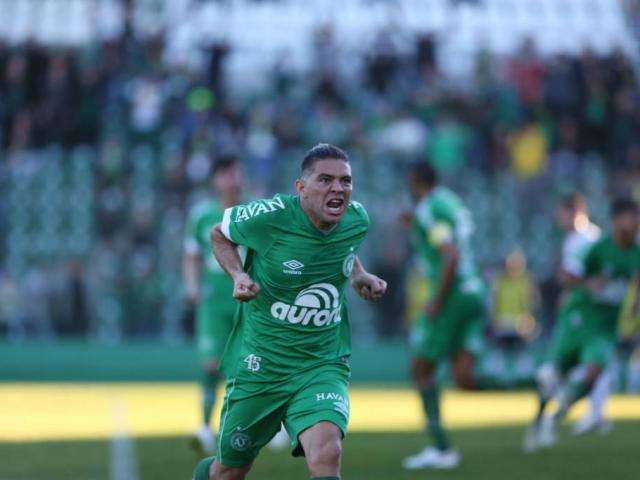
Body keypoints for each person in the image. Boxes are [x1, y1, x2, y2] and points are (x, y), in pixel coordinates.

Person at [192, 143, 387, 480]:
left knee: (328, 454)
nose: (338, 188)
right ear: (301, 188)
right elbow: (218, 235)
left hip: (321, 363)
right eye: (325, 180)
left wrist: (359, 275)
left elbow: (345, 249)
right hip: (262, 365)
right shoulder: (270, 217)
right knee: (228, 472)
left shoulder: (356, 220)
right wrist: (238, 275)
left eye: (345, 180)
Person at [533, 197, 640, 448]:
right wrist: (589, 284)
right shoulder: (596, 248)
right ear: (616, 222)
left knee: (594, 372)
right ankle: (538, 419)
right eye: (630, 220)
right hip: (581, 317)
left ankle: (557, 415)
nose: (633, 226)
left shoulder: (636, 252)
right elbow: (567, 276)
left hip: (605, 324)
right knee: (555, 373)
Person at [402, 162, 486, 470]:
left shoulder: (429, 206)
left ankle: (441, 449)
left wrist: (437, 298)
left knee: (420, 369)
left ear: (414, 179)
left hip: (452, 296)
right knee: (464, 377)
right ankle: (538, 382)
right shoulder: (450, 200)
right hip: (474, 289)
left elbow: (449, 252)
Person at [523, 193, 602, 451]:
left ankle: (546, 421)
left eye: (563, 213)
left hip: (583, 317)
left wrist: (571, 285)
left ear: (576, 211)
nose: (560, 219)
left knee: (559, 373)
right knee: (560, 374)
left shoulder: (583, 241)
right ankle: (545, 421)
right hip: (584, 315)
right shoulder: (593, 238)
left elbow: (571, 277)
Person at [183, 156, 244, 454]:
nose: (232, 178)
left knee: (248, 365)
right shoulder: (202, 214)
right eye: (225, 172)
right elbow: (192, 255)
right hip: (213, 299)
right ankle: (205, 427)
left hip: (246, 298)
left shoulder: (251, 212)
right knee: (211, 365)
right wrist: (192, 286)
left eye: (235, 172)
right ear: (215, 180)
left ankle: (262, 425)